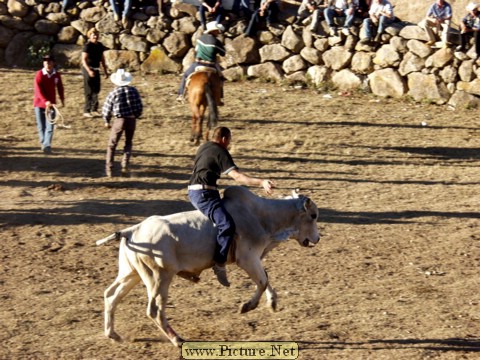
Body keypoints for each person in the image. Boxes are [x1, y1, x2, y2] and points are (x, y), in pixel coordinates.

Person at [188, 126, 275, 287]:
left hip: (201, 191)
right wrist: (261, 182)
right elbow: (238, 177)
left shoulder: (204, 146)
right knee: (226, 225)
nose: (229, 144)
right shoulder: (221, 151)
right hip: (204, 195)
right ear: (224, 139)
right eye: (229, 141)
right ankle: (219, 264)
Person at [102, 69, 143, 178]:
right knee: (128, 142)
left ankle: (109, 169)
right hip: (131, 119)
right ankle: (125, 164)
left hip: (119, 120)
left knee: (112, 145)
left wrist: (106, 120)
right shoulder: (134, 91)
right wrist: (136, 115)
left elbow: (107, 107)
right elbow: (139, 106)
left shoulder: (114, 92)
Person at [176, 21, 226, 102]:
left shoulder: (200, 39)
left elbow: (196, 50)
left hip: (198, 64)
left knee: (185, 76)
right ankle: (220, 97)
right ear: (213, 31)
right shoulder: (217, 42)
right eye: (217, 30)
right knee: (221, 79)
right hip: (211, 65)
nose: (219, 32)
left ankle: (181, 94)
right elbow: (223, 53)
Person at [33, 54, 65, 155]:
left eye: (49, 61)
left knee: (50, 126)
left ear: (53, 63)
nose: (47, 63)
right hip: (39, 104)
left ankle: (46, 145)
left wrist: (62, 98)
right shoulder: (39, 74)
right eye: (45, 61)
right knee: (41, 126)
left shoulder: (56, 75)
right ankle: (44, 143)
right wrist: (45, 101)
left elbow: (60, 87)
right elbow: (38, 90)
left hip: (51, 105)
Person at [81, 28, 108, 118]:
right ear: (90, 36)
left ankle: (94, 109)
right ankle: (87, 110)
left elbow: (102, 59)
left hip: (96, 69)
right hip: (88, 69)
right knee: (89, 90)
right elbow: (83, 60)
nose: (95, 36)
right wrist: (89, 71)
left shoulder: (100, 45)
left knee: (96, 89)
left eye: (96, 35)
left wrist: (105, 71)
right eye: (93, 35)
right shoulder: (87, 46)